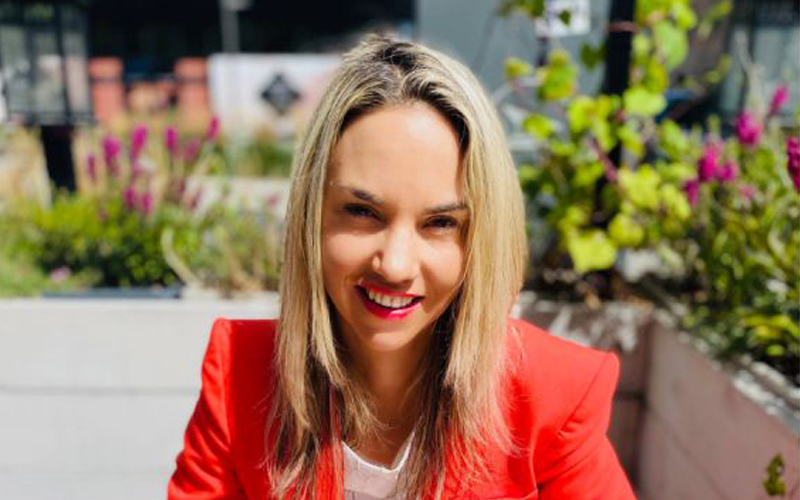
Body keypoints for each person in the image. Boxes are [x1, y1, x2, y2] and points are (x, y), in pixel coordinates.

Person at [167, 35, 636, 500]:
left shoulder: (554, 395)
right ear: (312, 214)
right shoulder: (239, 376)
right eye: (362, 212)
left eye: (440, 223)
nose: (394, 264)